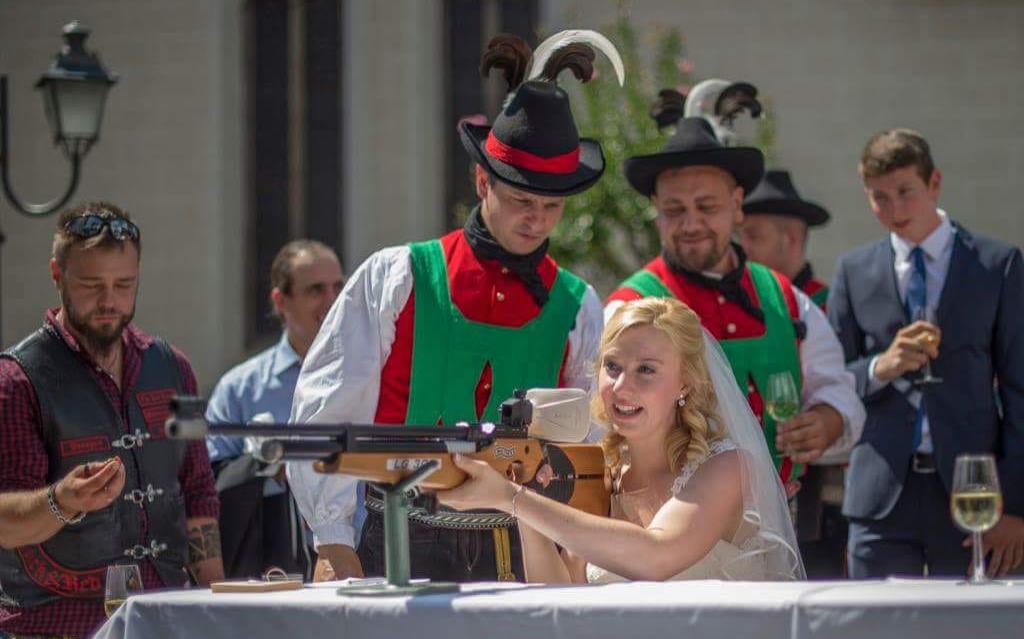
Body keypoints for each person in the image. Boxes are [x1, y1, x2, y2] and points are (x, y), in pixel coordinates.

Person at [287, 32, 618, 582]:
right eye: (519, 201)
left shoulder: (580, 307)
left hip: (524, 548)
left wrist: (575, 549)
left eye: (551, 205)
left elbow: (589, 443)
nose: (535, 220)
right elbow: (327, 410)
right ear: (482, 180)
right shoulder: (396, 276)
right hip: (394, 538)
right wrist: (331, 539)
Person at [439, 297, 803, 582]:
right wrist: (525, 493)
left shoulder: (727, 466)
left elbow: (657, 557)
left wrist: (510, 499)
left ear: (685, 384)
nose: (622, 386)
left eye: (646, 369)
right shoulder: (597, 472)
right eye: (612, 367)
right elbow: (559, 600)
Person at [606, 101, 864, 495]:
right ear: (657, 211)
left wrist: (827, 421)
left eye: (706, 206)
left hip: (782, 530)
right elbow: (603, 425)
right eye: (674, 209)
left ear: (737, 205)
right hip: (673, 533)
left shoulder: (784, 298)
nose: (691, 224)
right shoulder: (630, 306)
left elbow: (837, 389)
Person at [0, 203, 222, 638]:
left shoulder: (176, 368)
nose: (109, 301)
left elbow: (198, 492)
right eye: (90, 284)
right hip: (55, 627)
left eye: (124, 284)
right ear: (56, 274)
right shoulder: (15, 380)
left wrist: (215, 600)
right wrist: (61, 502)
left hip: (167, 618)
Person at [829, 128, 1024, 578]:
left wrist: (1015, 504)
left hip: (973, 494)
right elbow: (832, 381)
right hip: (880, 496)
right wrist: (882, 366)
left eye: (905, 192)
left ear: (934, 183)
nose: (894, 210)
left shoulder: (997, 264)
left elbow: (1019, 389)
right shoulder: (854, 271)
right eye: (879, 197)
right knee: (873, 626)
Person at [205, 240, 356, 579]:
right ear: (280, 301)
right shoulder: (241, 388)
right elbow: (206, 487)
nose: (332, 301)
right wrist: (266, 463)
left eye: (339, 287)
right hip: (274, 573)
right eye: (315, 290)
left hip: (369, 562)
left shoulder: (370, 376)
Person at [738, 169, 846, 577]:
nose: (741, 247)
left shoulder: (829, 304)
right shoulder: (741, 302)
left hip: (823, 498)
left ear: (792, 239)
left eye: (754, 235)